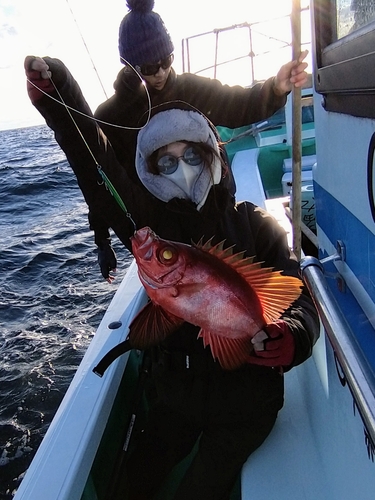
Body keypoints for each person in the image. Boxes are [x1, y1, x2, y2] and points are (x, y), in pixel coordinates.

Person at [24, 53, 319, 499]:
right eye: (166, 162)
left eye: (193, 155)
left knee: (200, 490)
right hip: (175, 397)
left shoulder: (256, 224)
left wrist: (293, 335)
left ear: (214, 155)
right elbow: (97, 165)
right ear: (150, 171)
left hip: (246, 402)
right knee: (132, 485)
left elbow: (297, 293)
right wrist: (58, 98)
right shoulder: (152, 228)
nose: (182, 169)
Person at [26, 0, 310, 282]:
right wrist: (103, 241)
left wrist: (275, 88)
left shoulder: (191, 89)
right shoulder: (112, 115)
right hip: (162, 228)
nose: (160, 72)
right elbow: (100, 175)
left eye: (166, 60)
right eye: (149, 67)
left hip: (214, 209)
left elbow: (239, 104)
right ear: (129, 65)